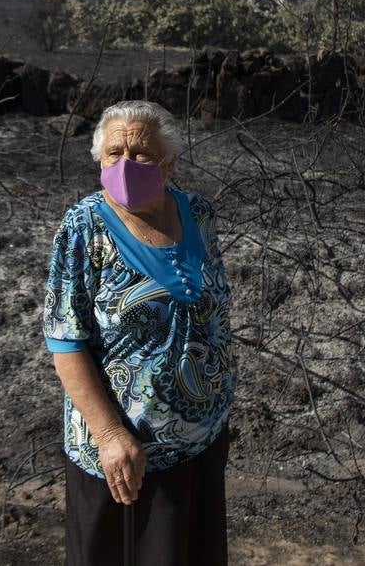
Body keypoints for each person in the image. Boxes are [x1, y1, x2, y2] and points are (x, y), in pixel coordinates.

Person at [43, 100, 236, 566]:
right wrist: (110, 435)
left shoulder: (198, 213)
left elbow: (210, 309)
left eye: (142, 155)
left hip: (200, 444)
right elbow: (65, 340)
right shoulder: (82, 228)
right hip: (124, 458)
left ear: (170, 162)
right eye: (114, 153)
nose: (126, 165)